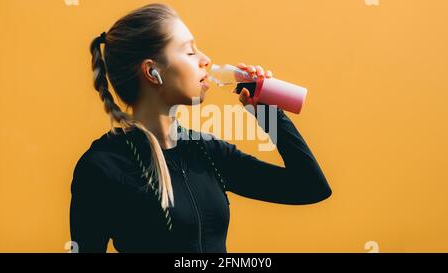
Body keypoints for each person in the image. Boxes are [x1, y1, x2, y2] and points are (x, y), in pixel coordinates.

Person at [70, 3, 332, 253]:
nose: (205, 60)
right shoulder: (102, 167)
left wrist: (266, 110)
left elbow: (309, 187)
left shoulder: (206, 152)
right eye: (190, 51)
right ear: (153, 72)